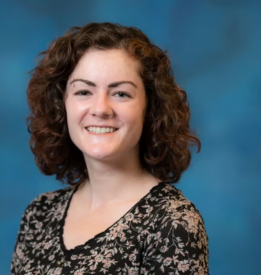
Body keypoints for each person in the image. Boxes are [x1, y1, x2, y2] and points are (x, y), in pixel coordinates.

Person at [11, 22, 209, 275]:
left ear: (150, 108)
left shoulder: (172, 223)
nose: (101, 109)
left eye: (121, 94)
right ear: (62, 105)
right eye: (84, 91)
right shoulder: (39, 214)